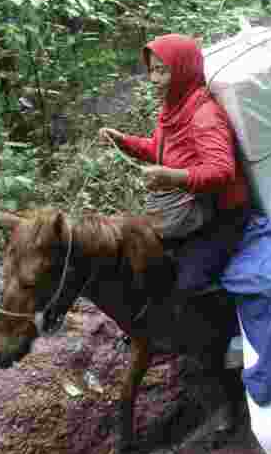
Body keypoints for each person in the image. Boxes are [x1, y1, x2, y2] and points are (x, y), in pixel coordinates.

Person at [98, 34, 251, 298]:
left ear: (182, 70)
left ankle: (225, 332)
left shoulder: (204, 115)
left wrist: (173, 177)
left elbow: (222, 170)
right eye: (152, 71)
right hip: (189, 208)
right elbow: (162, 150)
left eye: (162, 71)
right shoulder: (175, 107)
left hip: (220, 216)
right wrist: (123, 141)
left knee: (188, 284)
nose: (154, 79)